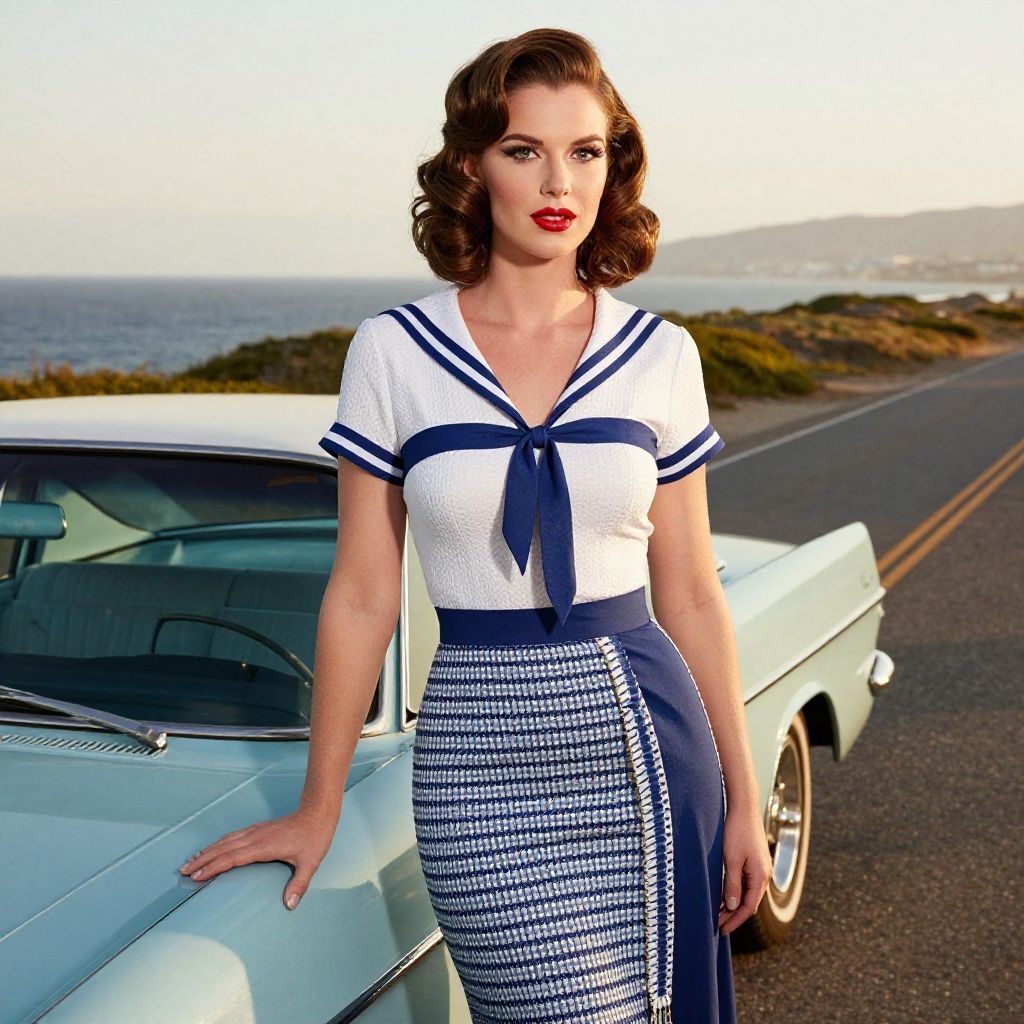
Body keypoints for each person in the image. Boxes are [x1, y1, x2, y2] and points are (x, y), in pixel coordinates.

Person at [180, 27, 771, 1024]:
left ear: (612, 167)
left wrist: (745, 803)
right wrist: (318, 807)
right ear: (471, 164)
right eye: (523, 149)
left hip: (638, 747)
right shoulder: (393, 351)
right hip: (478, 764)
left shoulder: (660, 355)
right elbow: (363, 593)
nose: (558, 179)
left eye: (585, 151)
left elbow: (693, 593)